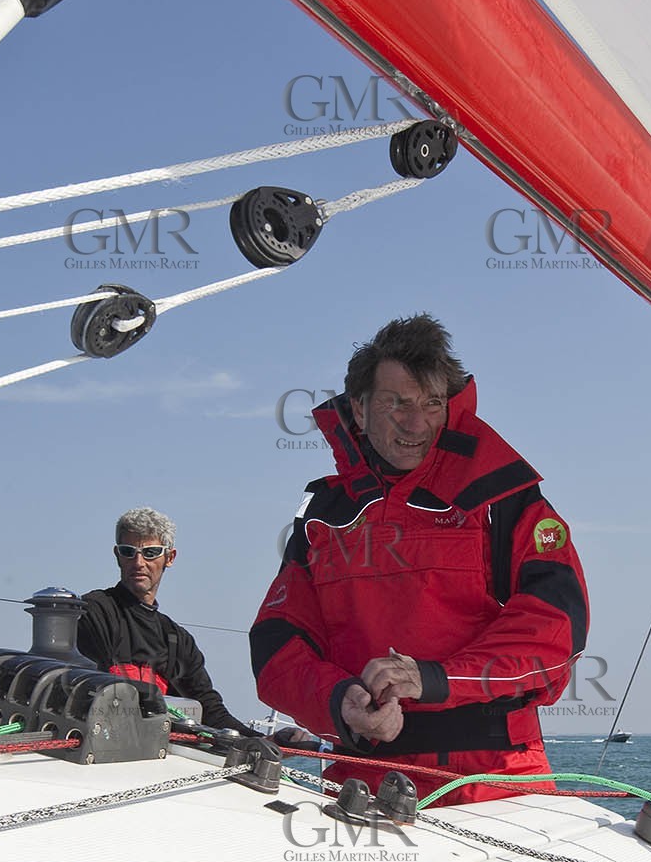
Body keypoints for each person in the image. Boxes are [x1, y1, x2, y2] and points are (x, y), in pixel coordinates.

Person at [250, 315, 589, 802]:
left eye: (431, 404)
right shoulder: (323, 517)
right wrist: (341, 700)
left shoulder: (501, 497)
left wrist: (432, 679)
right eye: (398, 403)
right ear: (360, 410)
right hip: (359, 778)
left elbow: (557, 628)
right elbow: (276, 647)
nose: (416, 423)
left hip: (494, 784)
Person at [79, 507, 250, 733]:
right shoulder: (93, 612)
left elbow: (211, 712)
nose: (138, 562)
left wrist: (271, 741)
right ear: (117, 555)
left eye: (150, 552)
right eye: (128, 551)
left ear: (169, 557)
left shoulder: (178, 641)